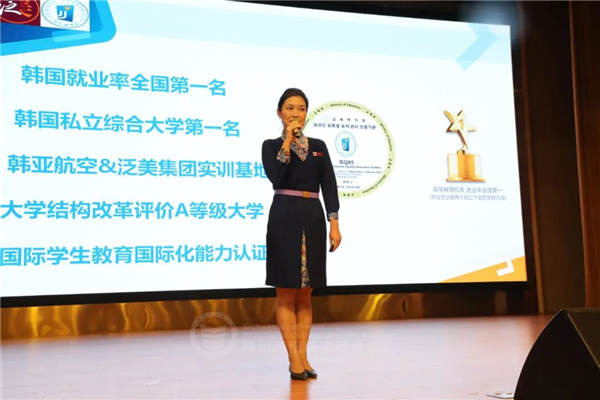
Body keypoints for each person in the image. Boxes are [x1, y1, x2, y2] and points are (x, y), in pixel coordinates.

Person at [261, 88, 342, 380]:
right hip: (284, 216)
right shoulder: (271, 146)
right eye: (290, 108)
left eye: (301, 108)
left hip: (313, 218)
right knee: (286, 292)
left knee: (306, 294)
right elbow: (276, 176)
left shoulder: (319, 146)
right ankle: (293, 357)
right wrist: (287, 141)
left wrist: (334, 222)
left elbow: (329, 184)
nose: (296, 113)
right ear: (279, 113)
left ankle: (304, 354)